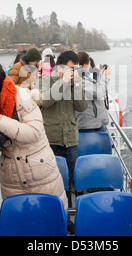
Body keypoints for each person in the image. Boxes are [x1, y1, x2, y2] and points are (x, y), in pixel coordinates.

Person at [0, 63, 67, 210]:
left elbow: (34, 132)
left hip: (40, 173)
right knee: (20, 223)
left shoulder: (22, 97)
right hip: (12, 177)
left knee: (49, 218)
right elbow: (1, 144)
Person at [38, 50, 87, 208]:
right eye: (71, 69)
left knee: (72, 180)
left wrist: (77, 85)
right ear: (60, 68)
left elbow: (82, 107)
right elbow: (46, 101)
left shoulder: (74, 83)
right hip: (51, 140)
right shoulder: (45, 80)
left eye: (76, 69)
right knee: (53, 182)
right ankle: (57, 213)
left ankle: (71, 213)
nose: (74, 73)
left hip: (70, 140)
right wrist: (63, 82)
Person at [76, 51, 111, 131]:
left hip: (88, 123)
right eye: (89, 64)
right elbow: (99, 93)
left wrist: (101, 76)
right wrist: (106, 76)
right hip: (89, 126)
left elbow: (93, 90)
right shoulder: (81, 80)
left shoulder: (81, 78)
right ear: (85, 65)